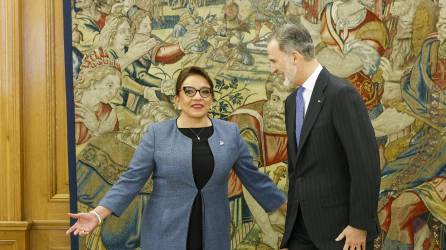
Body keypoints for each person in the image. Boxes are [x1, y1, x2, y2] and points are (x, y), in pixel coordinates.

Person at [66, 66, 287, 250]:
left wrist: (290, 208)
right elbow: (130, 181)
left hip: (213, 235)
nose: (197, 97)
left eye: (204, 91)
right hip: (165, 235)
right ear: (178, 99)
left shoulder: (230, 133)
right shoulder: (157, 134)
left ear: (211, 98)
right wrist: (97, 215)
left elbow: (255, 180)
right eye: (189, 91)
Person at [266, 23, 381, 249]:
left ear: (294, 57)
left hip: (341, 233)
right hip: (300, 230)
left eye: (274, 61)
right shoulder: (292, 103)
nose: (272, 70)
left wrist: (359, 225)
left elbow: (365, 164)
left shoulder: (341, 94)